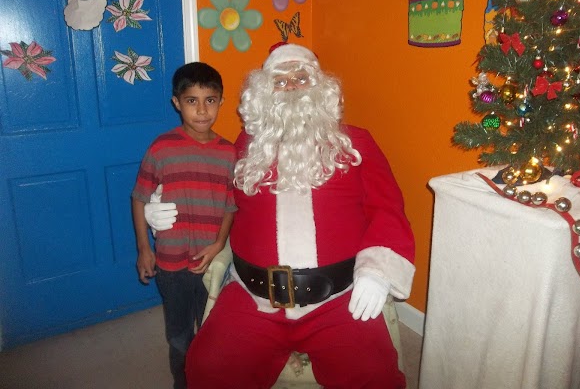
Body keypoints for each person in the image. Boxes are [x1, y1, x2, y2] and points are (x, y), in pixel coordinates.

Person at [145, 44, 416, 388]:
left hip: (337, 299)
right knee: (208, 367)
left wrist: (377, 272)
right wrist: (162, 208)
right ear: (264, 92)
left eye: (301, 78)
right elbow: (214, 197)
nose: (291, 87)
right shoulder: (245, 146)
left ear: (320, 87)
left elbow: (388, 209)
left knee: (375, 376)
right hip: (253, 298)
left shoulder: (356, 143)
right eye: (280, 80)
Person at [131, 62, 236, 389]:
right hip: (171, 263)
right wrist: (144, 249)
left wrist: (219, 244)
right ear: (177, 103)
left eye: (210, 100)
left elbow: (231, 205)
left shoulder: (229, 153)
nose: (202, 110)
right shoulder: (162, 148)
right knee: (178, 334)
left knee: (211, 330)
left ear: (221, 102)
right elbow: (139, 197)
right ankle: (184, 382)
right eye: (192, 101)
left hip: (210, 263)